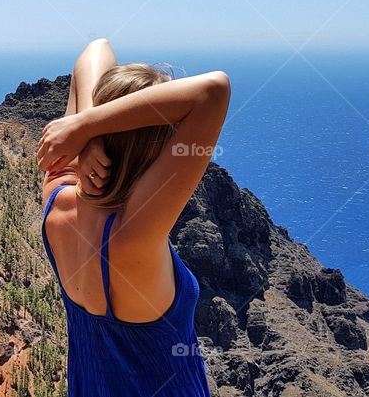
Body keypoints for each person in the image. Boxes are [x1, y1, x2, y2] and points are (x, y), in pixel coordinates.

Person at [36, 38, 230, 396]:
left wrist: (86, 132)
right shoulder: (134, 236)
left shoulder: (57, 195)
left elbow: (97, 48)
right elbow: (214, 90)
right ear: (155, 148)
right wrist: (88, 128)